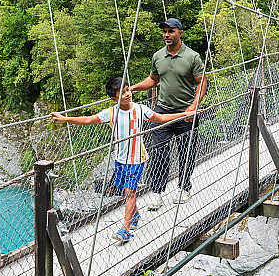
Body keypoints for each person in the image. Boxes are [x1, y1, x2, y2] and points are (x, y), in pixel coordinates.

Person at [51, 76, 193, 243]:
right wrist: (66, 118)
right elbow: (89, 120)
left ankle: (125, 230)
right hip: (120, 160)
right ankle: (135, 215)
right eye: (122, 93)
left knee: (130, 192)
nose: (128, 94)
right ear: (113, 98)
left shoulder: (140, 109)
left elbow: (160, 119)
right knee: (124, 190)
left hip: (137, 159)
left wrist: (185, 114)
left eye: (128, 90)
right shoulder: (111, 113)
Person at [131, 17, 207, 209]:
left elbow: (202, 82)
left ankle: (185, 188)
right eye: (164, 31)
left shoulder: (192, 57)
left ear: (180, 33)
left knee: (186, 153)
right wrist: (133, 88)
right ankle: (157, 192)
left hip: (185, 113)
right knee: (159, 153)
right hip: (162, 111)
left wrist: (194, 106)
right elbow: (153, 80)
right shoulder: (158, 56)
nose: (167, 35)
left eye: (171, 31)